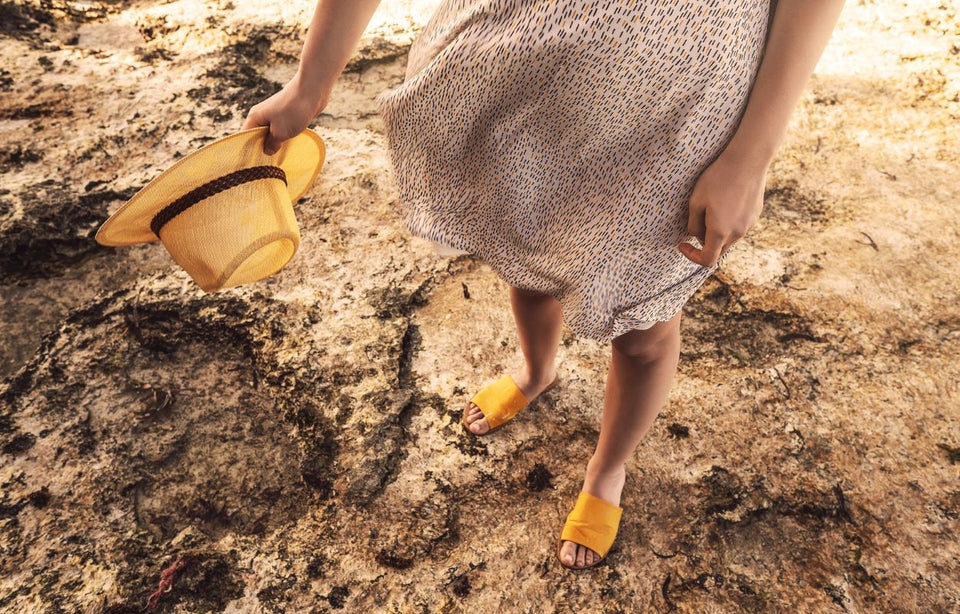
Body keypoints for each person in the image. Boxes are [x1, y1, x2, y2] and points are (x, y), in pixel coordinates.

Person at [244, 0, 846, 570]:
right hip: (515, 82)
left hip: (674, 121)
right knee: (527, 263)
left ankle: (607, 470)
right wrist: (310, 84)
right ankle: (537, 372)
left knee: (644, 330)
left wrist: (750, 158)